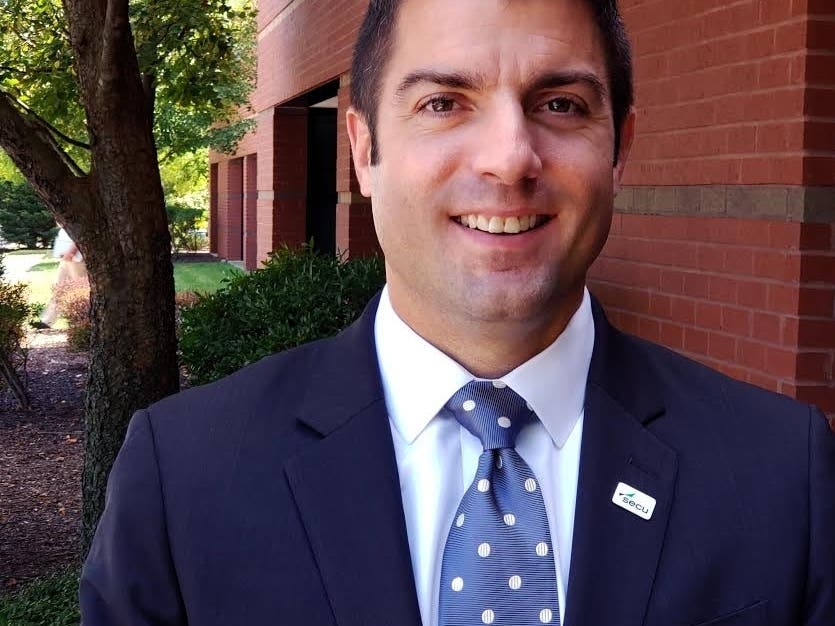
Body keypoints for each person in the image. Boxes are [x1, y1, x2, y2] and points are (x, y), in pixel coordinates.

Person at [80, 0, 835, 624]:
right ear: (363, 148)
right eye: (443, 103)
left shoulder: (781, 473)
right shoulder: (183, 475)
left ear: (619, 150)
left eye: (561, 104)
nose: (509, 158)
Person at [36, 226, 86, 328]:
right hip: (67, 256)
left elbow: (81, 234)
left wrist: (71, 251)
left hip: (76, 257)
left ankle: (83, 321)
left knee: (80, 289)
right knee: (59, 288)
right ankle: (47, 321)